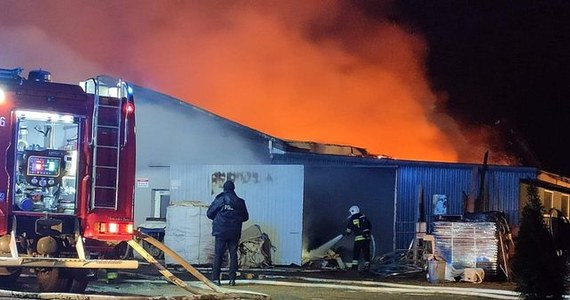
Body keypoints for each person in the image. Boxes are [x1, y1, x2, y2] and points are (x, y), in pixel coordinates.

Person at [206, 180, 249, 286]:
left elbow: (209, 213)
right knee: (233, 254)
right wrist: (235, 219)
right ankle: (232, 280)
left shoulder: (219, 200)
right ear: (233, 189)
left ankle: (216, 279)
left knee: (218, 255)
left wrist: (220, 218)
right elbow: (245, 217)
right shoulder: (240, 202)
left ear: (224, 189)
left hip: (220, 232)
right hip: (234, 232)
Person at [343, 205, 372, 272]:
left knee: (356, 252)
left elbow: (349, 229)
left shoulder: (353, 217)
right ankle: (367, 266)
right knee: (366, 252)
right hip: (367, 238)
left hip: (359, 239)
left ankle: (354, 267)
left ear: (353, 211)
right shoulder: (363, 217)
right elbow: (370, 226)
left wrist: (346, 233)